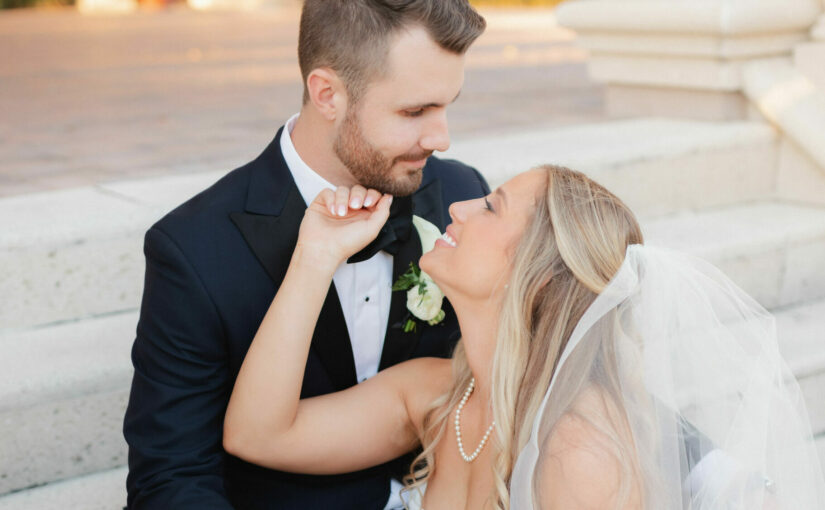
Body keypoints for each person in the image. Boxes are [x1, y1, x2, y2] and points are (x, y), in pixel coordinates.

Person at [224, 164, 825, 510]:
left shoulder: (580, 455)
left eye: (490, 207)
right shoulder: (438, 398)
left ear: (534, 274)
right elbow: (259, 434)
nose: (457, 206)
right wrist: (315, 256)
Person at [122, 1, 488, 509]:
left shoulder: (459, 196)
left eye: (448, 105)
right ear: (327, 94)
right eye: (414, 111)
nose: (441, 138)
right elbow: (171, 478)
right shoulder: (194, 249)